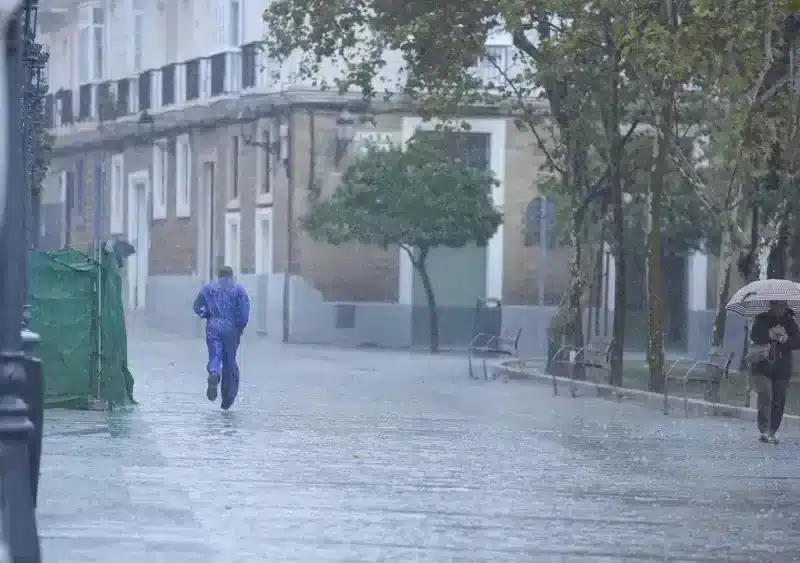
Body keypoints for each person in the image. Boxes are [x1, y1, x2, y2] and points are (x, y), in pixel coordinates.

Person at [193, 266, 250, 410]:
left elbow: (197, 306)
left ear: (218, 276)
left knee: (215, 354)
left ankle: (214, 372)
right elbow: (243, 312)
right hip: (231, 328)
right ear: (232, 275)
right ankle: (227, 398)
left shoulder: (208, 289)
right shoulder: (238, 290)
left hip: (213, 325)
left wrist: (206, 314)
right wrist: (240, 327)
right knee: (229, 361)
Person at [749, 300, 800, 443]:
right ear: (772, 305)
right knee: (766, 395)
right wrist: (769, 335)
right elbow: (755, 336)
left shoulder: (789, 322)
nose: (780, 309)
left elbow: (798, 341)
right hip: (762, 365)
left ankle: (772, 431)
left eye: (783, 306)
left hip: (782, 368)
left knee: (778, 400)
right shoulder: (762, 318)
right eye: (777, 305)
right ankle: (764, 429)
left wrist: (786, 339)